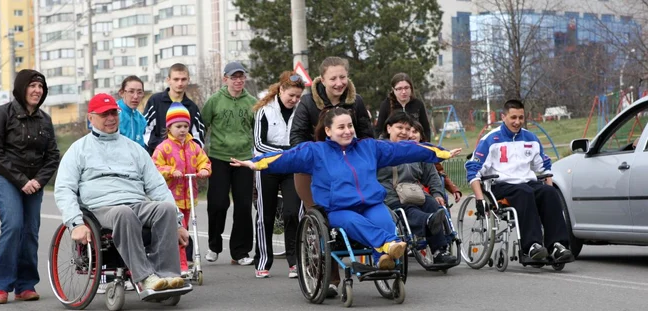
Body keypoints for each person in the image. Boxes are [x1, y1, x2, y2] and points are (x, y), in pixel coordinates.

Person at [232, 108, 461, 275]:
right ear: (329, 131)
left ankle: (382, 257)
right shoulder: (316, 152)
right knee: (353, 221)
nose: (347, 131)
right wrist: (256, 163)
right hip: (339, 209)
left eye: (350, 126)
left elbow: (405, 150)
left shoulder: (368, 147)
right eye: (341, 127)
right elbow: (286, 158)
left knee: (384, 218)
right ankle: (388, 246)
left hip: (371, 204)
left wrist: (440, 153)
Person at [54, 93, 188, 292]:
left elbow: (158, 186)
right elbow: (64, 188)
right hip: (100, 208)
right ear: (90, 118)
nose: (110, 118)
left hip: (136, 203)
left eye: (114, 113)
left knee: (166, 209)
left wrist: (177, 223)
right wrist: (75, 223)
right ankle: (145, 277)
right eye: (104, 114)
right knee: (124, 212)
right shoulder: (78, 150)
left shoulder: (134, 149)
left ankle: (167, 275)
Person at [289, 56, 374, 295]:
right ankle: (330, 277)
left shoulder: (355, 102)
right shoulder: (308, 103)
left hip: (348, 169)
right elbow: (295, 138)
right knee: (322, 219)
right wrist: (317, 154)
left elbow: (368, 135)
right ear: (322, 80)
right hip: (313, 170)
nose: (339, 83)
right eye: (333, 78)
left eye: (343, 77)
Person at [465, 99, 574, 263]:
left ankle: (557, 245)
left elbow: (544, 167)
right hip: (501, 185)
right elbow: (473, 169)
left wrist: (548, 193)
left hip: (527, 183)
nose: (517, 122)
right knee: (525, 192)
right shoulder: (490, 139)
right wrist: (480, 199)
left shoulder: (530, 138)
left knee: (549, 192)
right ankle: (531, 246)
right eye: (513, 117)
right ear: (504, 117)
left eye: (521, 118)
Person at [0, 69, 60, 304]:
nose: (37, 91)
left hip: (34, 182)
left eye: (40, 87)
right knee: (14, 225)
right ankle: (1, 285)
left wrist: (39, 181)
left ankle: (25, 285)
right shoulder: (3, 114)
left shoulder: (45, 120)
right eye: (32, 86)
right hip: (6, 178)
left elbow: (53, 156)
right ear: (21, 88)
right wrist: (21, 180)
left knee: (31, 230)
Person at [378, 112, 456, 264]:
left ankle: (440, 251)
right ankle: (428, 221)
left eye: (407, 129)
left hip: (414, 192)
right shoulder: (378, 149)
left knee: (433, 204)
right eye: (399, 127)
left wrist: (437, 193)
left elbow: (432, 174)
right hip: (390, 195)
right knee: (409, 210)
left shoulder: (415, 149)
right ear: (388, 128)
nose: (404, 132)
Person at [202, 62, 258, 266]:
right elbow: (202, 126)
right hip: (218, 157)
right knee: (218, 203)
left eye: (241, 77)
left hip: (243, 159)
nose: (238, 81)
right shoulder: (215, 101)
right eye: (234, 77)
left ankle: (240, 252)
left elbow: (258, 130)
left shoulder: (252, 102)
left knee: (243, 206)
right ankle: (214, 246)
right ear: (225, 79)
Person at [252, 71, 304, 278]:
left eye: (298, 96)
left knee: (294, 213)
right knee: (266, 214)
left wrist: (292, 154)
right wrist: (284, 152)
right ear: (281, 89)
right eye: (291, 95)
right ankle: (263, 261)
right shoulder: (264, 110)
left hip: (291, 168)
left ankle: (295, 261)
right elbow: (259, 143)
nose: (294, 100)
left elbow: (302, 139)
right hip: (267, 167)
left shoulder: (301, 111)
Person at [152, 102, 211, 273]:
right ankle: (181, 264)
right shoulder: (164, 147)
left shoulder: (194, 146)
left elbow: (204, 161)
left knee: (185, 231)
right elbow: (154, 167)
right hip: (171, 198)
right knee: (176, 232)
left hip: (188, 197)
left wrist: (204, 170)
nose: (183, 130)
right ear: (169, 127)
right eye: (178, 126)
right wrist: (170, 171)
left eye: (186, 126)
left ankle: (185, 263)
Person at [143, 63, 205, 154]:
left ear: (188, 80)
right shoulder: (155, 101)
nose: (180, 83)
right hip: (158, 159)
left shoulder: (192, 107)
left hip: (184, 161)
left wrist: (186, 151)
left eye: (183, 79)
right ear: (169, 80)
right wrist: (165, 147)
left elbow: (199, 138)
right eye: (176, 79)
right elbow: (145, 131)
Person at [376, 73, 431, 142]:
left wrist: (425, 145)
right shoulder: (386, 105)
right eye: (399, 89)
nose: (404, 92)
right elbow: (379, 130)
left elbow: (425, 129)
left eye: (406, 88)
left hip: (414, 145)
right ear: (393, 90)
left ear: (411, 88)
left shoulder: (418, 104)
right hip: (393, 147)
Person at [117, 75, 147, 148]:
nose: (136, 96)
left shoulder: (141, 118)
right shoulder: (113, 114)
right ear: (121, 93)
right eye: (131, 91)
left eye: (139, 92)